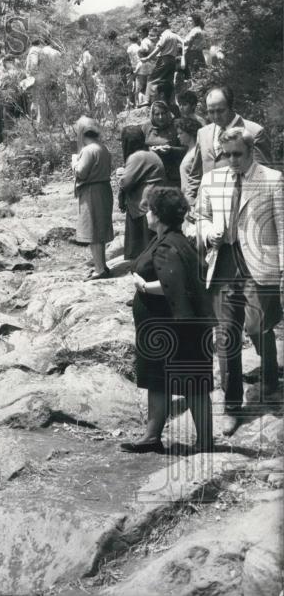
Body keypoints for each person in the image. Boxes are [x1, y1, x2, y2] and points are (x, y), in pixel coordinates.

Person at [197, 127, 283, 436]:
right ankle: (232, 407)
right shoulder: (212, 179)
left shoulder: (272, 179)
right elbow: (200, 218)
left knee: (258, 326)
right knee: (226, 335)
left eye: (238, 154)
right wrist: (208, 233)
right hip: (223, 264)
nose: (232, 160)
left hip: (260, 266)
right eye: (227, 154)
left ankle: (270, 380)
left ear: (250, 152)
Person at [121, 187, 214, 453]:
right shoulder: (175, 239)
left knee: (191, 384)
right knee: (160, 380)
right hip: (170, 325)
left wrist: (143, 286)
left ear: (158, 215)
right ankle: (153, 437)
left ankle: (204, 443)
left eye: (149, 209)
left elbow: (174, 283)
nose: (146, 214)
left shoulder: (166, 246)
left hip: (170, 327)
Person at [188, 86, 271, 187]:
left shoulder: (254, 132)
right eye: (211, 111)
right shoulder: (203, 133)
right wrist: (191, 201)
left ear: (231, 107)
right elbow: (195, 175)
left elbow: (261, 177)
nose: (216, 116)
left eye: (220, 111)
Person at [72, 116, 114, 280]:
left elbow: (81, 172)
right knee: (100, 230)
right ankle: (102, 265)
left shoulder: (89, 150)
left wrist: (74, 163)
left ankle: (99, 269)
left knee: (93, 232)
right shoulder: (103, 147)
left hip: (92, 191)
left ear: (82, 134)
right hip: (103, 189)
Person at [119, 125, 165, 261]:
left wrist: (120, 176)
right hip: (154, 200)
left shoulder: (137, 157)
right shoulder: (150, 153)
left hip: (144, 204)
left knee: (145, 246)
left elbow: (126, 183)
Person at [143, 101, 186, 186]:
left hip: (172, 175)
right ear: (152, 115)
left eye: (163, 113)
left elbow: (186, 149)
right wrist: (149, 150)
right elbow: (140, 148)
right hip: (152, 175)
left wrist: (171, 149)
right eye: (157, 114)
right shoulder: (146, 127)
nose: (160, 117)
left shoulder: (175, 127)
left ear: (168, 113)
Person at [139, 18, 180, 104]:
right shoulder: (174, 35)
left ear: (164, 26)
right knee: (168, 81)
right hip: (172, 60)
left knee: (151, 79)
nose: (157, 28)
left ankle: (147, 100)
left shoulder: (164, 35)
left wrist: (147, 58)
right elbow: (183, 42)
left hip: (164, 60)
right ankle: (169, 101)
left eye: (159, 26)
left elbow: (158, 49)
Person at [175, 117, 202, 207]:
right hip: (187, 198)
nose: (178, 136)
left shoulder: (195, 153)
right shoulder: (189, 151)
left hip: (193, 200)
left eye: (181, 133)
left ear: (190, 133)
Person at [182, 13, 206, 79]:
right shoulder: (199, 29)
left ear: (195, 21)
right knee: (199, 73)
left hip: (193, 54)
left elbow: (186, 41)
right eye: (188, 21)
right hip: (198, 53)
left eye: (190, 21)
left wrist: (177, 41)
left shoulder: (195, 30)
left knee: (193, 74)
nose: (188, 22)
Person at [126, 34, 143, 106]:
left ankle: (134, 103)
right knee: (138, 86)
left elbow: (128, 60)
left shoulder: (129, 48)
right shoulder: (139, 47)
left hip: (133, 68)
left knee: (132, 86)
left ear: (130, 40)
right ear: (137, 39)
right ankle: (138, 103)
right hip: (140, 66)